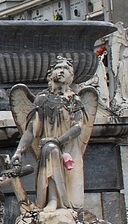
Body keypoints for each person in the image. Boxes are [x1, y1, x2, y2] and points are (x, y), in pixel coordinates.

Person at [10, 56, 96, 211]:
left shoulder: (74, 100)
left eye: (66, 69)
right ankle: (53, 199)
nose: (61, 71)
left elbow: (77, 127)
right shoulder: (42, 99)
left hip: (68, 149)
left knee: (51, 147)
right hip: (48, 148)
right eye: (58, 68)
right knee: (50, 149)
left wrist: (58, 140)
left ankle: (60, 202)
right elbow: (31, 130)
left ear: (71, 77)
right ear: (50, 74)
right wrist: (18, 152)